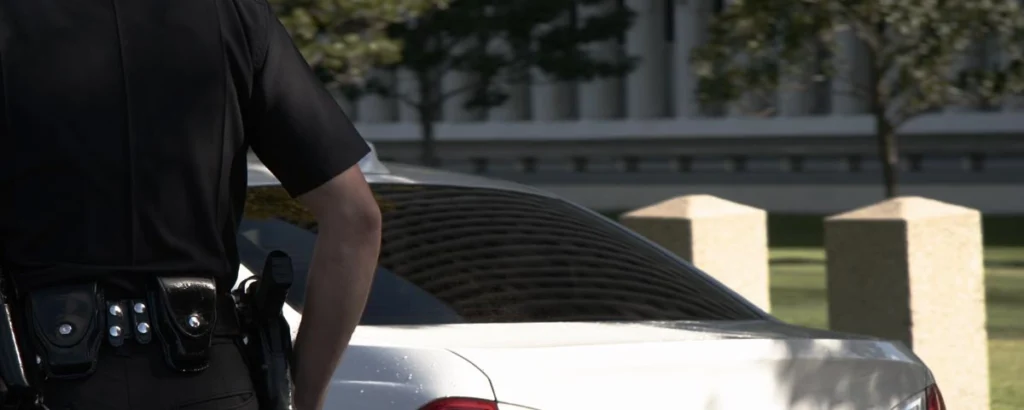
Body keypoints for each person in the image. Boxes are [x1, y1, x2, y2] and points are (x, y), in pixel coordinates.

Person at [0, 0, 382, 408]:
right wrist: (305, 396)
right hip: (211, 378)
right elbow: (354, 218)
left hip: (42, 377)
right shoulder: (234, 14)